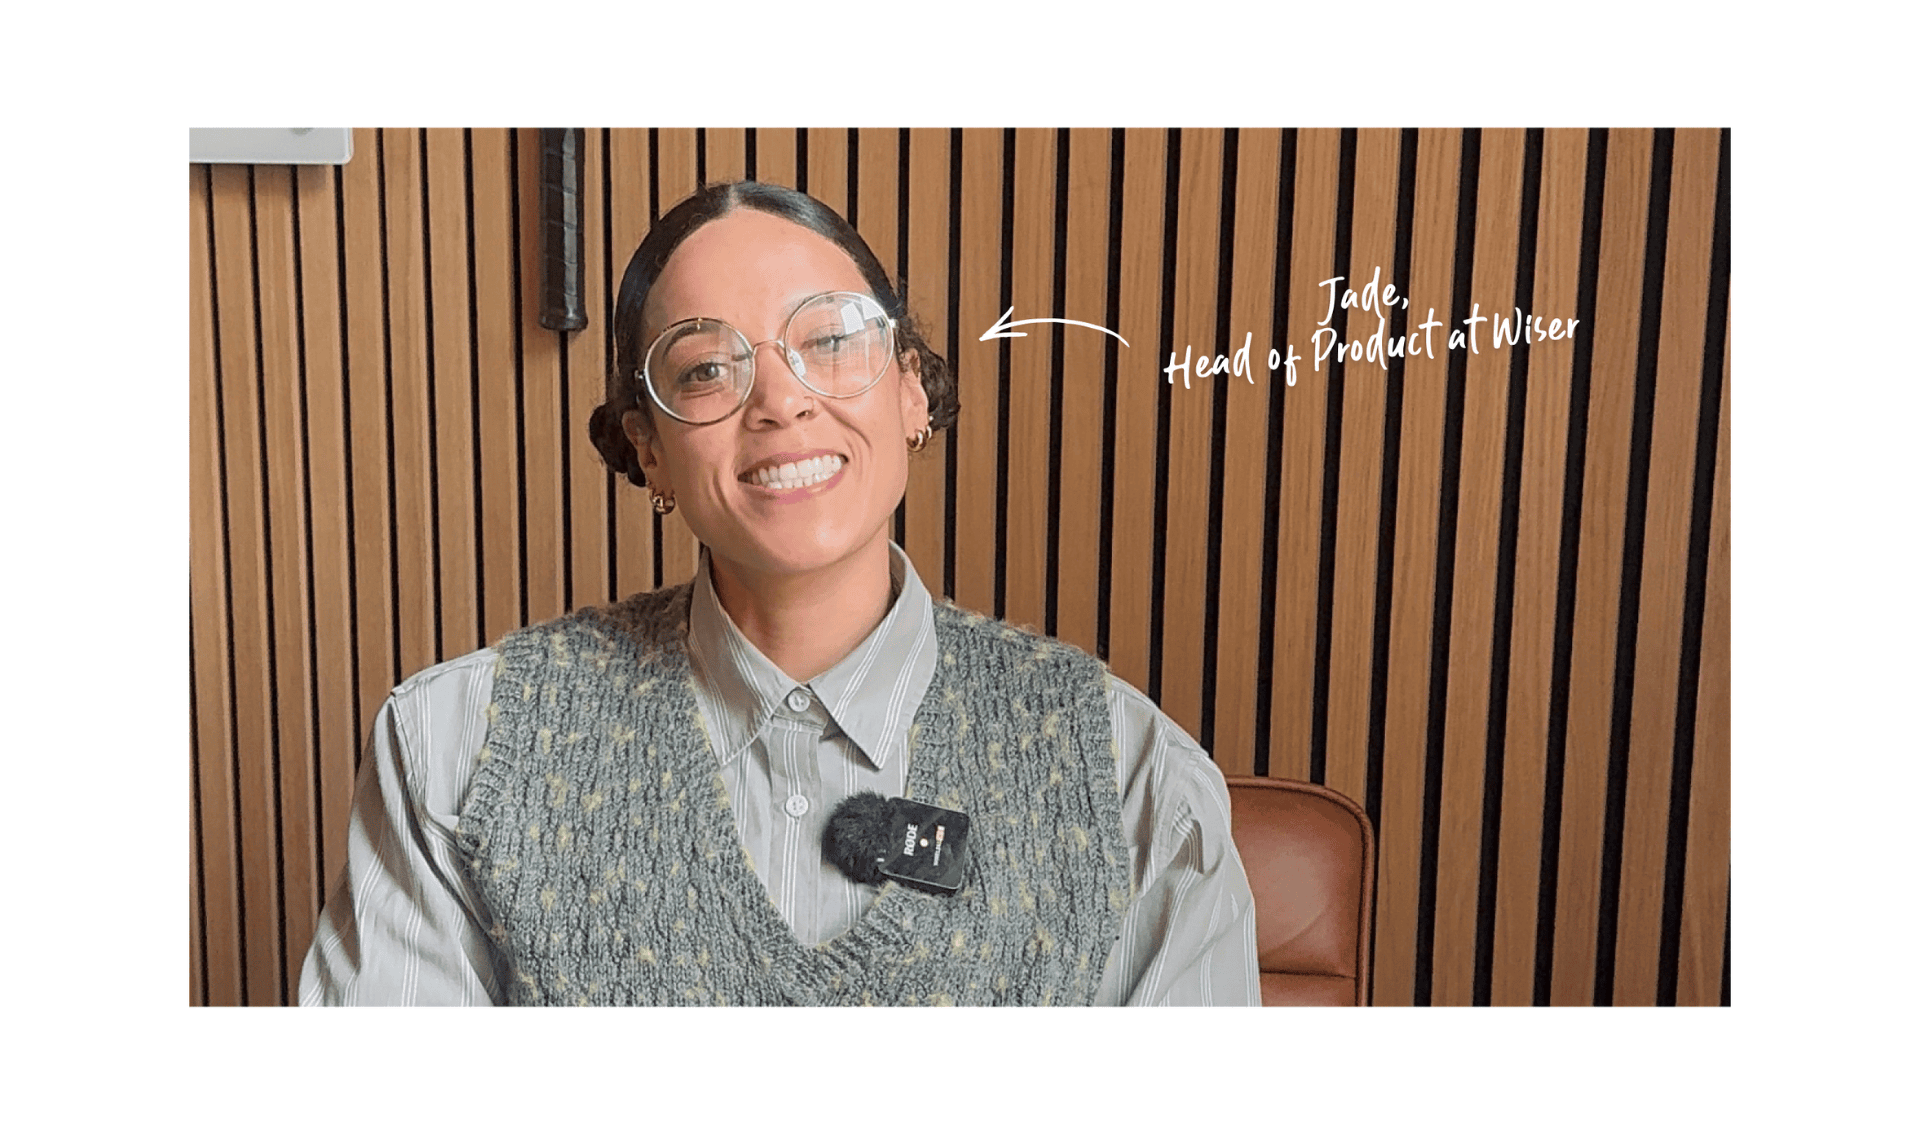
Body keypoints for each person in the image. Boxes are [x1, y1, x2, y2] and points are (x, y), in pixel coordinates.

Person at [299, 181, 1258, 1006]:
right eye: (708, 368)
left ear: (911, 391)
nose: (782, 401)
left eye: (831, 340)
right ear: (646, 446)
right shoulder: (455, 749)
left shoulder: (1130, 777)